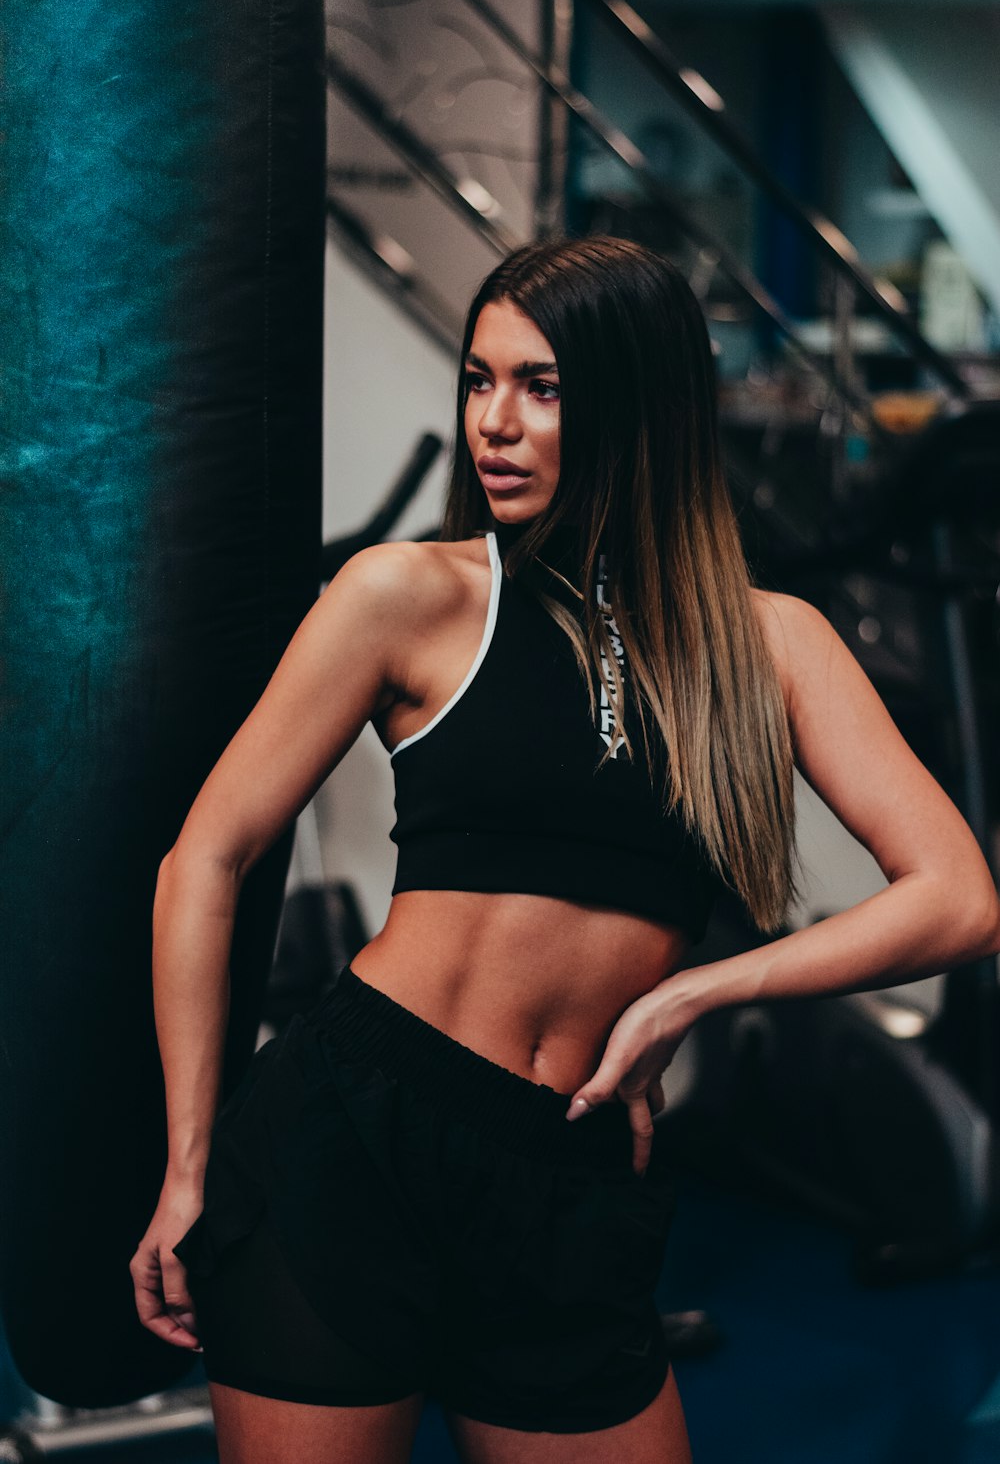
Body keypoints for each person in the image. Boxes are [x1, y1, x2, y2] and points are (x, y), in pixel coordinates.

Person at [131, 235, 1000, 1464]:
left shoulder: (770, 645)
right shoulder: (409, 595)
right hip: (352, 1143)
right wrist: (187, 1160)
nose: (494, 421)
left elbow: (959, 898)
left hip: (573, 1167)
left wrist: (693, 992)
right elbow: (204, 857)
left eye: (540, 386)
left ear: (637, 400)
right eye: (479, 381)